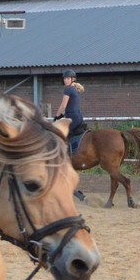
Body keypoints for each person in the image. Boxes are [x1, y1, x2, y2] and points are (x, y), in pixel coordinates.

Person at [54, 70, 88, 201]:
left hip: (72, 119)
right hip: (77, 118)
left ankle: (65, 157)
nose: (65, 80)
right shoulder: (74, 89)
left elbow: (63, 106)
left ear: (72, 79)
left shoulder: (68, 90)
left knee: (57, 135)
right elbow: (70, 107)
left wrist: (56, 116)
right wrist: (62, 115)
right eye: (64, 78)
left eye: (68, 78)